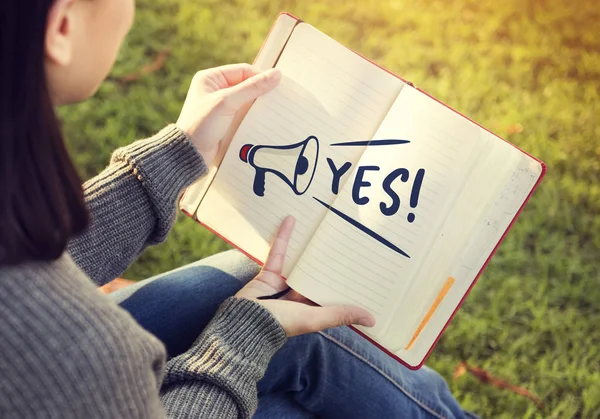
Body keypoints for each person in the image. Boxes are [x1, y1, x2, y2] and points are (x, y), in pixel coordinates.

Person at [0, 0, 475, 417]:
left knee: (258, 287)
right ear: (62, 27)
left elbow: (24, 257)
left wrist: (172, 159)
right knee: (293, 352)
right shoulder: (78, 350)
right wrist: (239, 341)